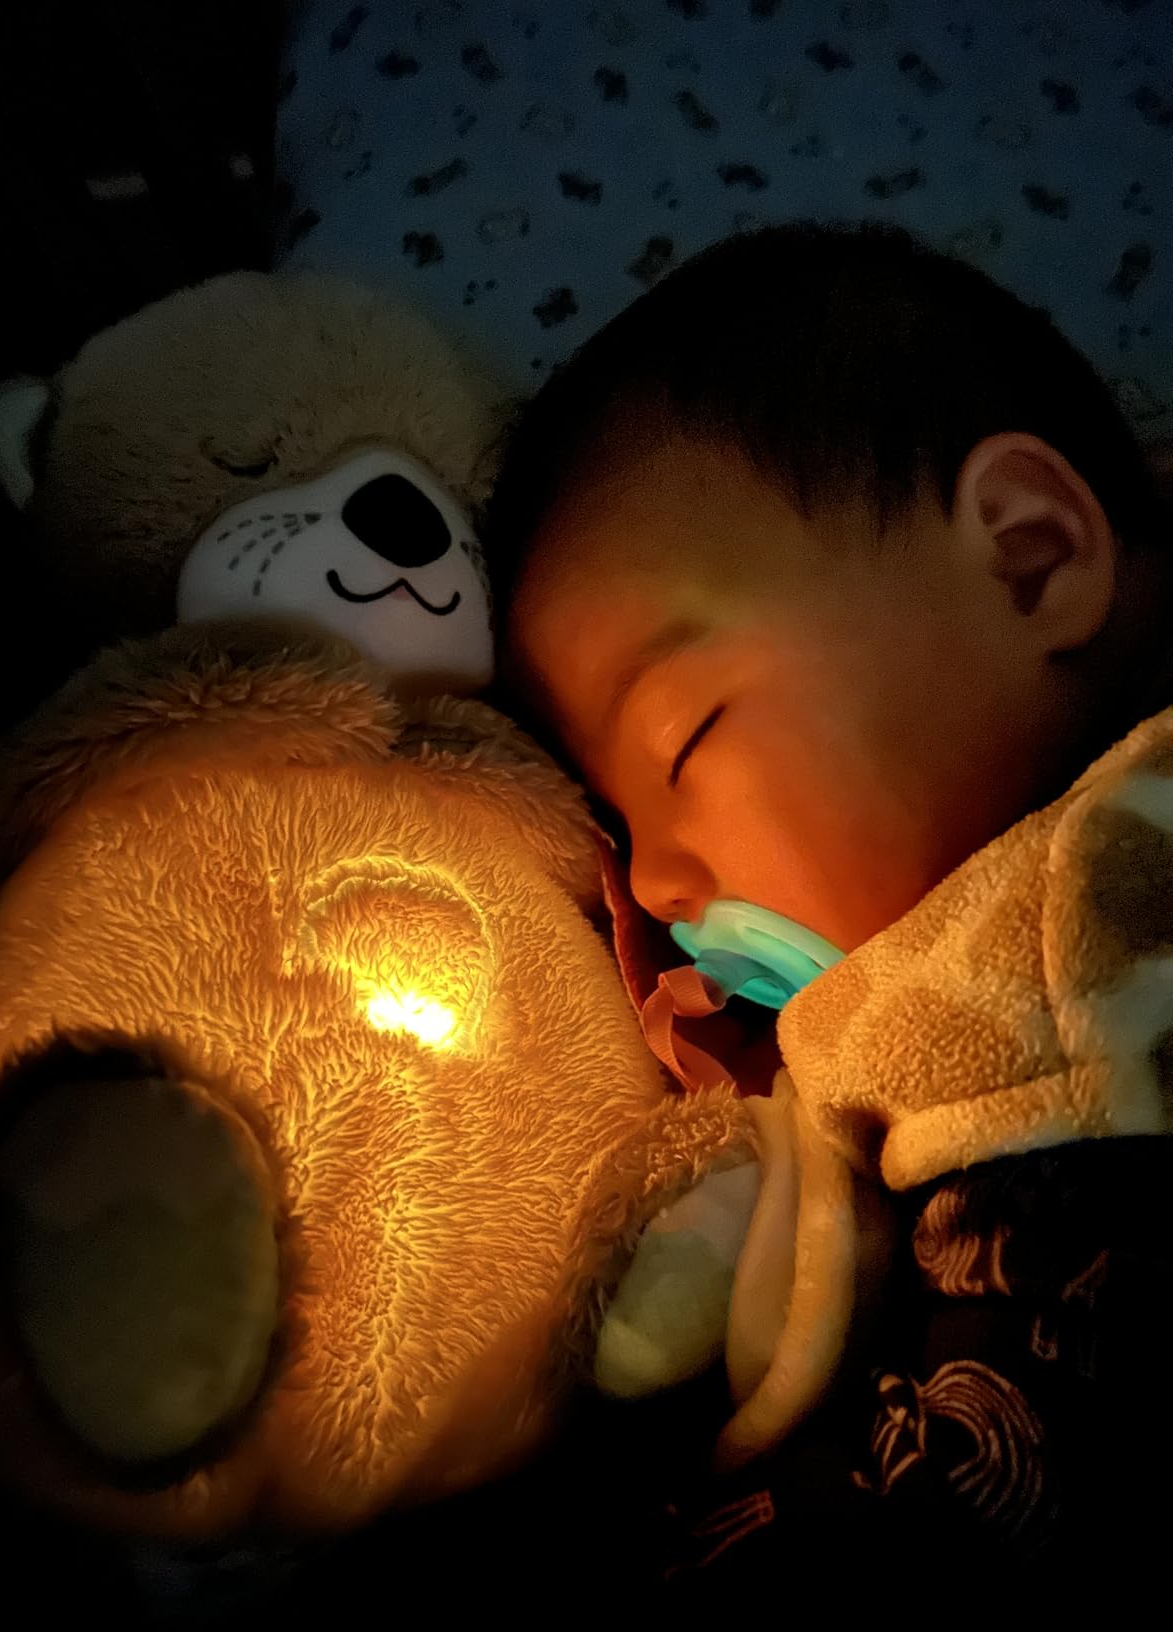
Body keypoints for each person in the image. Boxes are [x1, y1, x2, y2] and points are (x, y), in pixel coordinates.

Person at [483, 222, 1172, 1586]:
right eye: (622, 823)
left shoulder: (1076, 930)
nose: (657, 885)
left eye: (685, 739)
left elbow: (971, 1494)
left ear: (1031, 558)